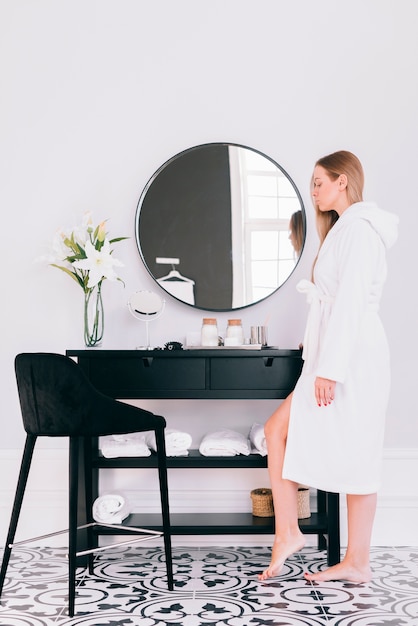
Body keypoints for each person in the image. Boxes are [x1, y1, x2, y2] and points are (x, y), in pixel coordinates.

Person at [258, 150, 398, 583]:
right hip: (336, 352)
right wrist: (315, 346)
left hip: (354, 358)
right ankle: (290, 532)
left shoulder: (360, 230)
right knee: (276, 430)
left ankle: (355, 561)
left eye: (320, 181)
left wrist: (330, 369)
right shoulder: (342, 230)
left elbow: (353, 303)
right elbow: (335, 302)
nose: (313, 190)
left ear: (343, 181)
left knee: (358, 453)